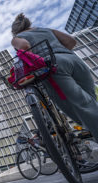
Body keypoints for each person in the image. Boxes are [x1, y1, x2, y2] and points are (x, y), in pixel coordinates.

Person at [11, 13, 98, 143]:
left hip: (52, 66)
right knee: (91, 100)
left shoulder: (17, 38)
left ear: (14, 30)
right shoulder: (46, 30)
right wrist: (59, 53)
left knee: (82, 106)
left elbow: (24, 46)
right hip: (74, 60)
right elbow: (71, 41)